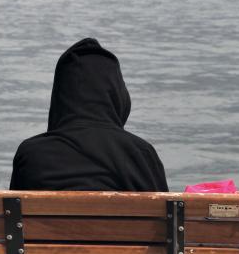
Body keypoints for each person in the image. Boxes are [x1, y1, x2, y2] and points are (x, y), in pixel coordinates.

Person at [10, 38, 168, 191]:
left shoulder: (30, 155)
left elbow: (13, 215)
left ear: (61, 96)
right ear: (116, 94)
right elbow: (167, 214)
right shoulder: (142, 155)